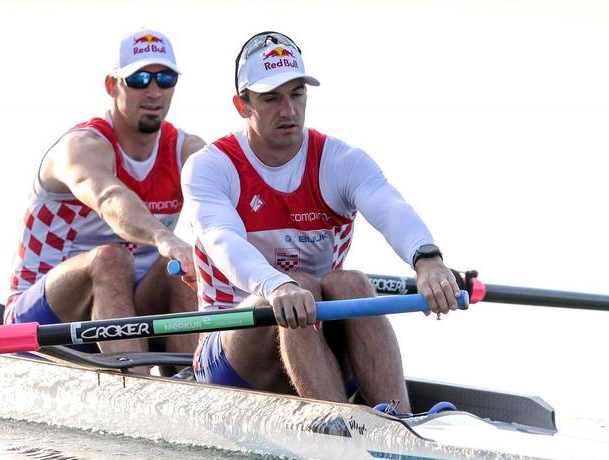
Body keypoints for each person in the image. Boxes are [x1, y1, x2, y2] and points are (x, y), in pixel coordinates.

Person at [182, 31, 460, 411]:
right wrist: (276, 285)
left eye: (297, 94)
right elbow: (221, 239)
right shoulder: (211, 167)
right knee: (303, 286)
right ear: (241, 105)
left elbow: (390, 207)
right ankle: (338, 426)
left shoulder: (339, 161)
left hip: (316, 338)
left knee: (350, 283)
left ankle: (400, 421)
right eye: (271, 98)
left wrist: (427, 260)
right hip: (232, 355)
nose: (289, 110)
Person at [5, 29, 204, 360]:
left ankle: (195, 390)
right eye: (140, 79)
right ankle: (136, 392)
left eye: (165, 78)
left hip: (125, 311)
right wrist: (161, 235)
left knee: (185, 265)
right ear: (112, 86)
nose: (154, 91)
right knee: (111, 259)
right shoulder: (82, 147)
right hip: (40, 321)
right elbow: (110, 199)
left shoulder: (189, 151)